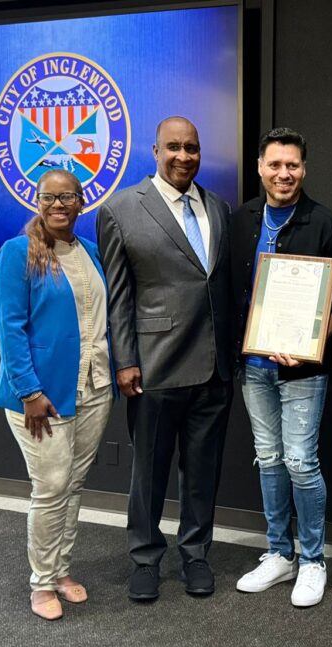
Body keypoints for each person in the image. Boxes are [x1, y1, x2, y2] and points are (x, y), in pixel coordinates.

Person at [96, 116, 233, 601]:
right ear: (155, 150)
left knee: (202, 471)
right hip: (153, 367)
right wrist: (125, 360)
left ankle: (195, 554)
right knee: (149, 473)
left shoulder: (218, 207)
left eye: (191, 148)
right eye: (173, 147)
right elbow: (119, 295)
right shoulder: (120, 210)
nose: (183, 156)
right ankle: (145, 559)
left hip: (214, 368)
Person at [230, 127, 332, 607]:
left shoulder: (327, 224)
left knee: (301, 461)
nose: (284, 173)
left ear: (304, 168)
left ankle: (314, 560)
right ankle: (279, 553)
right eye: (275, 165)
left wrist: (310, 340)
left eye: (293, 165)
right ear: (260, 167)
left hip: (302, 368)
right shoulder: (241, 220)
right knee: (269, 459)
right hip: (253, 366)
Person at [0, 168, 114, 621]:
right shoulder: (17, 253)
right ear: (36, 199)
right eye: (50, 197)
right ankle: (41, 583)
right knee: (50, 488)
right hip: (41, 397)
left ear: (82, 201)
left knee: (74, 484)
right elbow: (10, 328)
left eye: (68, 197)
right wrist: (29, 391)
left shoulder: (92, 253)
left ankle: (62, 570)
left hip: (94, 388)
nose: (59, 205)